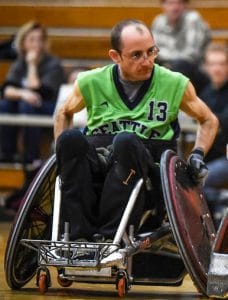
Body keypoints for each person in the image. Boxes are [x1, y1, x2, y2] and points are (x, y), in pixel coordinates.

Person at [54, 19, 218, 242]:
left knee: (125, 141)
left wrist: (197, 153)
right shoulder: (90, 81)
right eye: (136, 55)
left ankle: (110, 236)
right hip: (100, 160)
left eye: (151, 52)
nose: (147, 61)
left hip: (146, 166)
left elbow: (208, 119)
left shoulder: (174, 83)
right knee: (70, 139)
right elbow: (63, 113)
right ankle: (77, 235)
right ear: (115, 56)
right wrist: (61, 156)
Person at [0, 21, 65, 164]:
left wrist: (32, 65)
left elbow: (39, 91)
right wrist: (23, 94)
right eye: (32, 40)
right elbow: (6, 90)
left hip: (51, 107)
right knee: (5, 105)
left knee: (27, 106)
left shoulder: (53, 64)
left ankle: (31, 157)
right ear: (23, 43)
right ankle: (7, 155)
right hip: (29, 103)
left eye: (40, 40)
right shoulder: (20, 62)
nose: (36, 44)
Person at [151, 0, 211, 94]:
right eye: (170, 3)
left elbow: (191, 55)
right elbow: (154, 51)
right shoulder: (159, 21)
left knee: (180, 65)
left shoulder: (193, 19)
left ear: (185, 5)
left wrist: (168, 64)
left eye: (179, 3)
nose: (175, 8)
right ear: (163, 5)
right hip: (167, 66)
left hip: (194, 70)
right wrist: (167, 64)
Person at [199, 43, 228, 228]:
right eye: (213, 64)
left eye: (222, 64)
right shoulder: (205, 93)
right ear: (206, 67)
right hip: (211, 158)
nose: (217, 68)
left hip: (226, 159)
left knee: (199, 183)